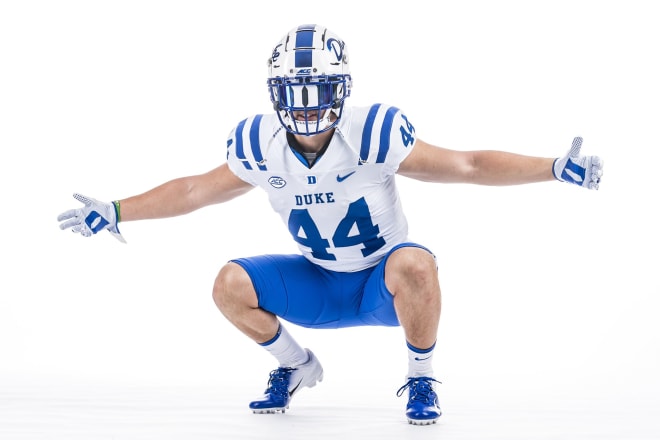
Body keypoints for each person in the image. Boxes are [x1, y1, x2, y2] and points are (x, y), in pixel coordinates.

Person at [57, 24, 604, 425]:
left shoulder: (372, 134)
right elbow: (196, 189)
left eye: (316, 88)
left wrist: (552, 168)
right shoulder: (260, 144)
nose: (305, 103)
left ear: (340, 89)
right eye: (294, 91)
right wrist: (118, 208)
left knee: (415, 260)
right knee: (229, 282)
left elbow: (468, 165)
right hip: (317, 280)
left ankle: (420, 376)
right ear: (275, 94)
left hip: (380, 284)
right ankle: (296, 366)